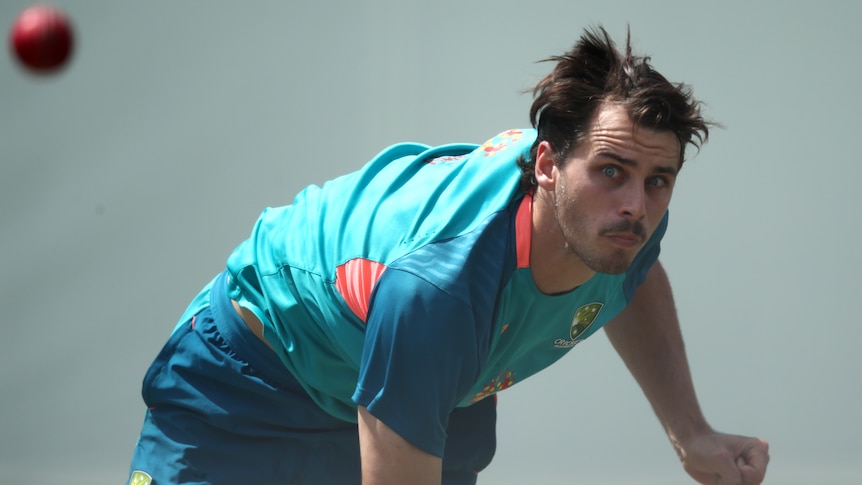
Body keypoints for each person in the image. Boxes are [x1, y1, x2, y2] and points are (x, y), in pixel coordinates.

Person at [127, 25, 769, 485]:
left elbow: (634, 281)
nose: (636, 203)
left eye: (659, 179)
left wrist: (692, 433)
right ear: (546, 165)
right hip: (251, 389)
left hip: (419, 381)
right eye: (611, 171)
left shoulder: (624, 219)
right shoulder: (438, 291)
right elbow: (432, 305)